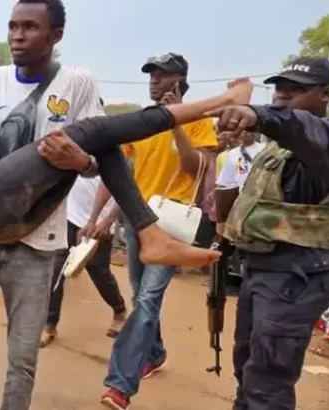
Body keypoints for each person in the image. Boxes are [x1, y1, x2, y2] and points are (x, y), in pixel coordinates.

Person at [0, 5, 251, 410]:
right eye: (13, 26)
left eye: (29, 26)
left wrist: (82, 163)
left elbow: (99, 157)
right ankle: (210, 119)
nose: (17, 34)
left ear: (57, 35)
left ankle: (150, 230)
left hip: (37, 236)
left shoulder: (67, 84)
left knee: (23, 359)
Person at [96, 52, 221, 410]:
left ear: (180, 79)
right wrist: (104, 218)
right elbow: (125, 176)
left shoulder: (199, 120)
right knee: (140, 297)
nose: (153, 80)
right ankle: (156, 352)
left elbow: (195, 165)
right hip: (138, 221)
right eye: (150, 74)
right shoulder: (142, 120)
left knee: (148, 300)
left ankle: (120, 385)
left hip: (172, 228)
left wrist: (176, 122)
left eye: (161, 74)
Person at [213, 57, 329, 410]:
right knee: (247, 365)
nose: (284, 94)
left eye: (297, 89)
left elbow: (302, 129)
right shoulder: (277, 147)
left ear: (325, 94)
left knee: (268, 381)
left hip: (298, 275)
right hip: (262, 271)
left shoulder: (327, 139)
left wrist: (259, 114)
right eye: (280, 86)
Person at [41, 129, 129, 346]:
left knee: (98, 271)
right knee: (55, 270)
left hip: (98, 225)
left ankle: (119, 310)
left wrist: (104, 222)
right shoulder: (71, 150)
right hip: (69, 219)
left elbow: (125, 194)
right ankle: (49, 325)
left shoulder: (114, 157)